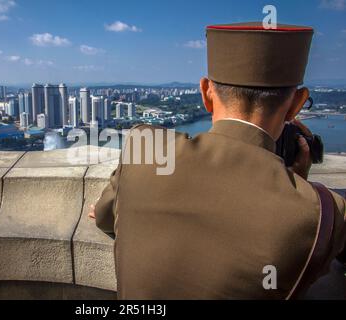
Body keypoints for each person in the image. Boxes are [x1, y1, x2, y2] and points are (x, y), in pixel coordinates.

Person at [89, 22, 346, 299]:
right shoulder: (321, 211)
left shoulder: (146, 147)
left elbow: (105, 216)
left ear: (206, 93)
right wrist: (296, 188)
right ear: (297, 104)